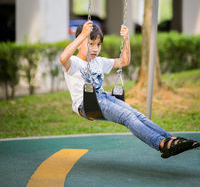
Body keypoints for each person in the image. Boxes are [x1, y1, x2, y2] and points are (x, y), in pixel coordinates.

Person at [60, 21, 200, 159]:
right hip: (87, 104)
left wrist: (126, 39)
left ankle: (172, 139)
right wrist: (82, 35)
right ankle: (162, 144)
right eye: (90, 44)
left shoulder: (99, 61)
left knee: (138, 115)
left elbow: (124, 61)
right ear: (79, 44)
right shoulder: (73, 63)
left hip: (104, 97)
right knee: (128, 117)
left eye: (98, 44)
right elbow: (62, 58)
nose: (96, 49)